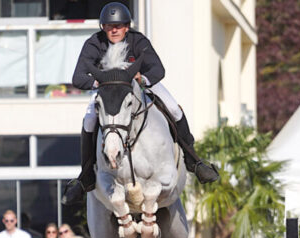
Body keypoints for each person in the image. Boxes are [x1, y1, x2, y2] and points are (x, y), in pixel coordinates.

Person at [61, 2, 219, 206]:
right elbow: (78, 77)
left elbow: (158, 69)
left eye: (119, 26)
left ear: (127, 27)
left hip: (139, 86)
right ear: (103, 27)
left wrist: (142, 78)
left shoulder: (138, 41)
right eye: (109, 26)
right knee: (90, 119)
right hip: (108, 93)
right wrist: (98, 82)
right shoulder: (94, 43)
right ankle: (86, 176)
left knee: (173, 108)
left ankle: (194, 161)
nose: (114, 30)